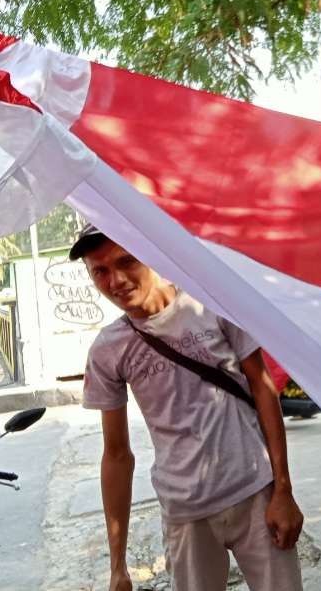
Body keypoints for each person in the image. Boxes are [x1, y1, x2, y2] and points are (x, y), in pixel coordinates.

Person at [71, 225, 304, 591]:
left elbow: (263, 388)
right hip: (185, 514)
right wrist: (118, 564)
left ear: (149, 253)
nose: (115, 281)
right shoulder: (108, 350)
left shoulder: (210, 302)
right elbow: (116, 455)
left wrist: (283, 491)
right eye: (99, 271)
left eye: (126, 261)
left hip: (254, 493)